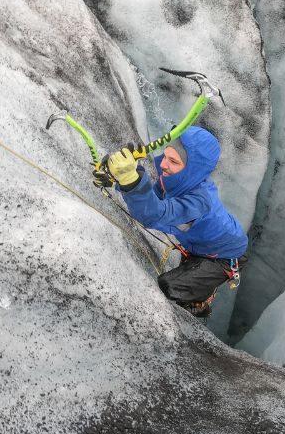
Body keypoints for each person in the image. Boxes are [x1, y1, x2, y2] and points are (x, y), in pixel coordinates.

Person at [95, 126, 247, 317]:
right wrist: (119, 181)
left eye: (173, 161)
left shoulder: (199, 203)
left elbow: (155, 214)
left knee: (170, 286)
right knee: (186, 271)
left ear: (193, 168)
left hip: (223, 256)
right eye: (165, 156)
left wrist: (130, 180)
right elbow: (154, 198)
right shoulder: (177, 180)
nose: (164, 164)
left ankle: (199, 305)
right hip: (202, 244)